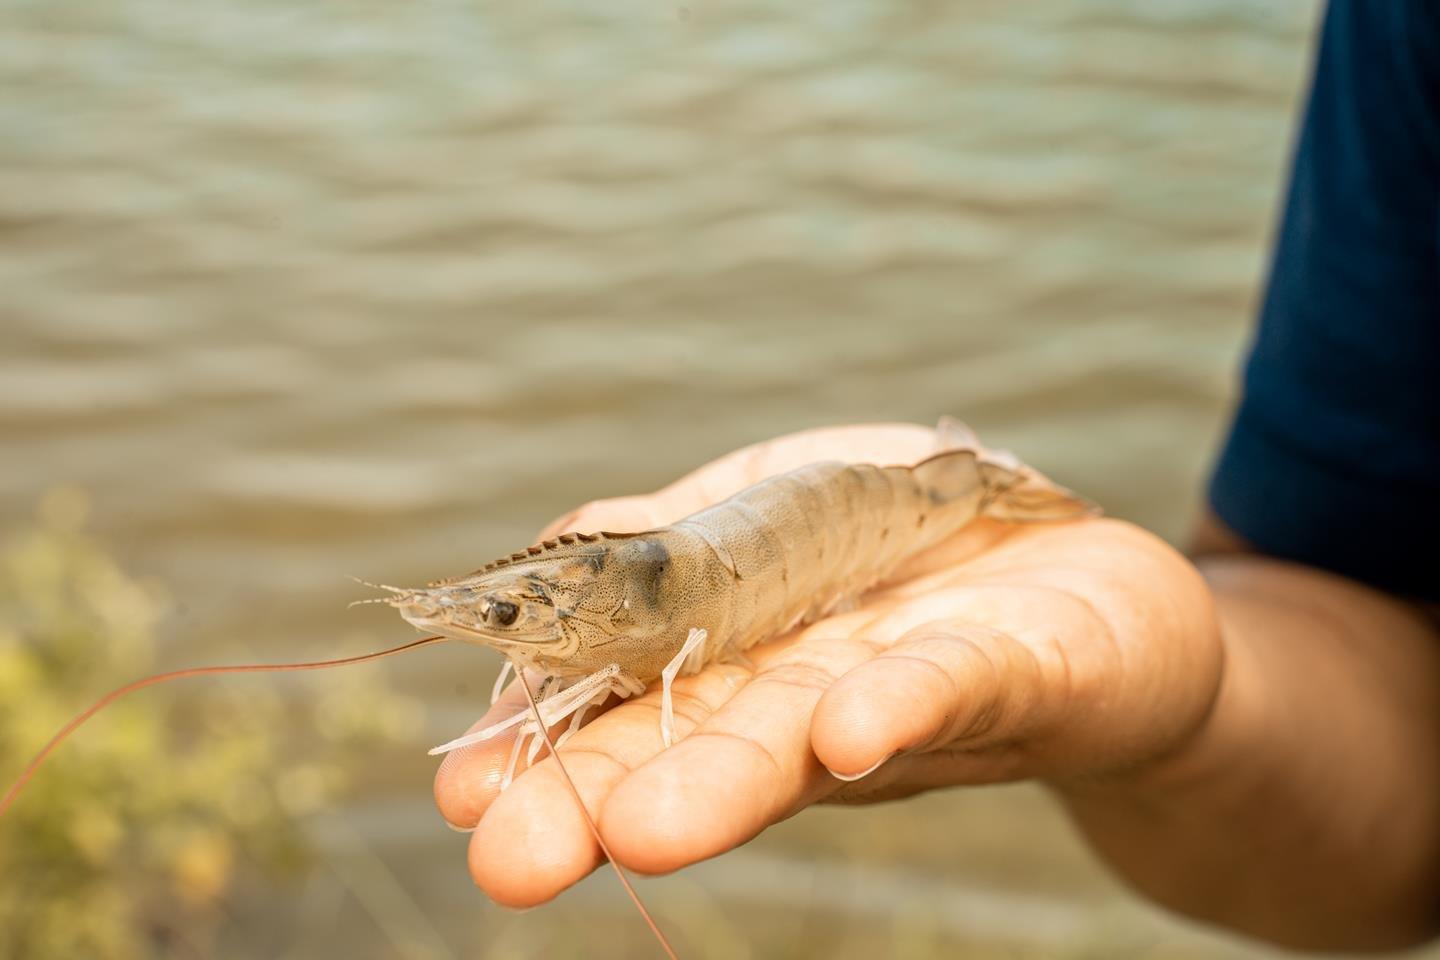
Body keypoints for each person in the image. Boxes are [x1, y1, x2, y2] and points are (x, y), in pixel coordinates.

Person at [433, 1, 1439, 949]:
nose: (510, 618)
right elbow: (1373, 787)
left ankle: (977, 492)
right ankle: (982, 490)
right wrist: (1196, 709)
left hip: (831, 521)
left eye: (514, 611)